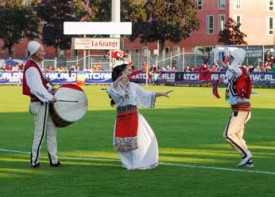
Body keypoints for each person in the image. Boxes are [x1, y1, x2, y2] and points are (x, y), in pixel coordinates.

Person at [107, 64, 173, 170]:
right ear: (122, 72)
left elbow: (146, 94)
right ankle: (129, 163)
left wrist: (162, 94)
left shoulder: (133, 86)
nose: (131, 71)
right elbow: (111, 90)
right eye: (128, 70)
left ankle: (140, 162)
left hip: (134, 115)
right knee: (123, 141)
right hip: (121, 117)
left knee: (143, 140)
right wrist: (120, 78)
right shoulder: (115, 86)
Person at [22, 41, 63, 168]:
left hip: (42, 103)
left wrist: (52, 89)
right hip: (40, 104)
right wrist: (51, 97)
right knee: (40, 133)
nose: (44, 53)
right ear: (35, 52)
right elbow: (36, 88)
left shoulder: (34, 65)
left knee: (51, 131)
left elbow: (43, 83)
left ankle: (54, 160)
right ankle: (35, 161)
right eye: (42, 51)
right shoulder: (32, 67)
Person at [217, 48, 253, 168]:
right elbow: (232, 80)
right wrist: (224, 80)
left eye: (232, 57)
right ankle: (248, 160)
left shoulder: (240, 69)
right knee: (237, 136)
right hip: (241, 109)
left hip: (241, 109)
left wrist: (225, 66)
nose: (230, 59)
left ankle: (246, 155)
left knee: (228, 134)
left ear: (236, 58)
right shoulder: (237, 71)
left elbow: (235, 71)